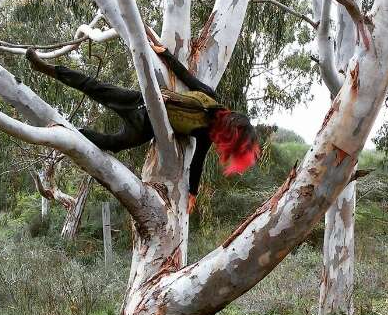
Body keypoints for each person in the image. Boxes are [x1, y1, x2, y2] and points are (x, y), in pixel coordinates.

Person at [26, 44, 261, 212]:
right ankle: (49, 71)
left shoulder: (209, 120)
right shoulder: (209, 108)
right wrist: (165, 53)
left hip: (146, 115)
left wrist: (192, 193)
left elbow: (197, 161)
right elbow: (187, 78)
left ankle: (66, 131)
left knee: (108, 128)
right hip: (144, 109)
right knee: (99, 99)